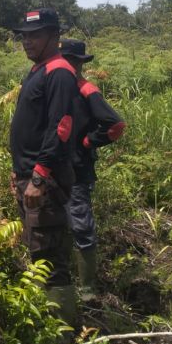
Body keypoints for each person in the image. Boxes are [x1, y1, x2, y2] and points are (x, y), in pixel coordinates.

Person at [9, 8, 79, 328]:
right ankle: (45, 320)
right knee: (38, 250)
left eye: (34, 35)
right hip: (29, 177)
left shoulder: (59, 72)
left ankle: (63, 331)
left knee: (49, 254)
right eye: (24, 36)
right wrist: (19, 170)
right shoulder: (39, 69)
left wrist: (38, 176)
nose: (27, 41)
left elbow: (60, 127)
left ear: (54, 36)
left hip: (44, 181)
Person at [59, 39, 126, 301]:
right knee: (58, 226)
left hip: (78, 171)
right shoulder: (55, 89)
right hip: (52, 170)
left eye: (69, 61)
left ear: (77, 63)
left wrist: (87, 142)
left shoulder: (86, 89)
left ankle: (87, 292)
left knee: (80, 226)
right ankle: (64, 284)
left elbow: (115, 125)